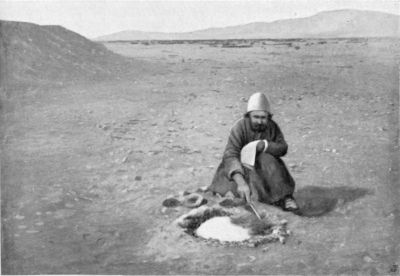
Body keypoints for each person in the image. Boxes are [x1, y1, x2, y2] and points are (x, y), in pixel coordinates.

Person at [208, 92, 299, 211]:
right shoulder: (239, 127)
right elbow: (230, 155)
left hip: (264, 169)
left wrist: (264, 145)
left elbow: (282, 148)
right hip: (240, 169)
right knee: (230, 197)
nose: (260, 121)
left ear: (268, 117)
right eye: (256, 117)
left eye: (263, 117)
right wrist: (241, 183)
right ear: (248, 116)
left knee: (269, 160)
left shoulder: (272, 127)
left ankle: (285, 197)